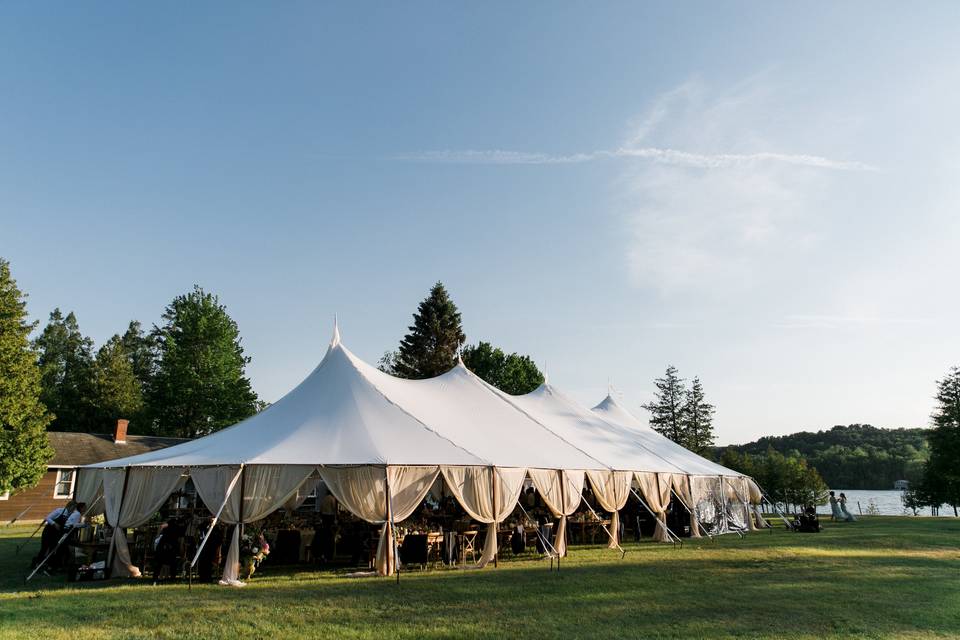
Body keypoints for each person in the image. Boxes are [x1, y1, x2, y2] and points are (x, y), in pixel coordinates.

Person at [31, 501, 86, 572]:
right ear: (69, 506)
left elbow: (71, 524)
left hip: (56, 533)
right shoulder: (59, 510)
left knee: (53, 548)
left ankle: (49, 565)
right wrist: (54, 524)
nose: (74, 509)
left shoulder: (71, 514)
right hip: (48, 531)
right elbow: (47, 518)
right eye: (73, 507)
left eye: (74, 508)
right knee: (44, 548)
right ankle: (36, 563)